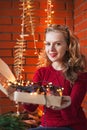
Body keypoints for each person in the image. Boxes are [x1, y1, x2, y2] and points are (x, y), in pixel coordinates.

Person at [23, 24, 87, 130]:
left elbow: (71, 112)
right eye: (48, 44)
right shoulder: (41, 72)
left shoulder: (80, 74)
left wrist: (60, 104)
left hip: (71, 126)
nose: (51, 49)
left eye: (57, 44)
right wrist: (23, 98)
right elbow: (31, 107)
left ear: (67, 46)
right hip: (45, 126)